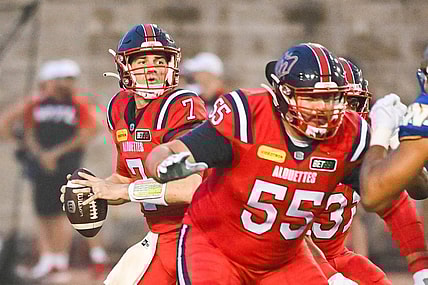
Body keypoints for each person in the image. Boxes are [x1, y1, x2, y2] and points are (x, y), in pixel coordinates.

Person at [144, 43, 371, 285]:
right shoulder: (248, 118)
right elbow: (167, 151)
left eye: (329, 98)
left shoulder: (350, 134)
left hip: (282, 258)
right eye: (311, 98)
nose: (322, 109)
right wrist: (162, 165)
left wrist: (407, 163)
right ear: (285, 94)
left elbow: (387, 196)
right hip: (216, 247)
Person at [62, 24, 207, 285]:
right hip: (161, 235)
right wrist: (94, 189)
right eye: (142, 61)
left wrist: (124, 192)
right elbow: (126, 177)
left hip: (202, 237)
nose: (151, 70)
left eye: (159, 60)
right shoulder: (119, 107)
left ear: (171, 65)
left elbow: (190, 188)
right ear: (124, 66)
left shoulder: (181, 105)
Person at [308, 57, 428, 285]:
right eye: (342, 102)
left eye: (355, 103)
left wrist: (421, 267)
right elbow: (285, 233)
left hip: (334, 255)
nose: (350, 114)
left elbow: (400, 201)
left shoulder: (361, 140)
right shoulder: (295, 146)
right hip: (284, 258)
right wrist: (332, 278)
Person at [0, 59, 107, 280]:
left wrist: (56, 153)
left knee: (63, 212)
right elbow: (24, 129)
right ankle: (48, 258)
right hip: (41, 165)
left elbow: (92, 128)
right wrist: (35, 151)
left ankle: (61, 259)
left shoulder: (78, 103)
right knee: (43, 211)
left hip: (66, 165)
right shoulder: (36, 103)